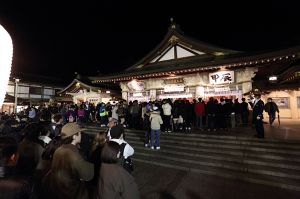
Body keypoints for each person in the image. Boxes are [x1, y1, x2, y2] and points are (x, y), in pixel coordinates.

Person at [41, 122, 94, 199]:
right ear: (74, 136)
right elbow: (88, 175)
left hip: (58, 189)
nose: (81, 135)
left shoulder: (59, 149)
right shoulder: (74, 153)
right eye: (79, 133)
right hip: (71, 191)